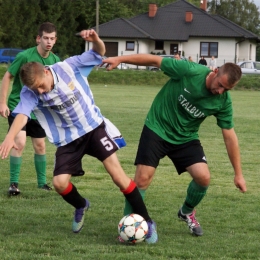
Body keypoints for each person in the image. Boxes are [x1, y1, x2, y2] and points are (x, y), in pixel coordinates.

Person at [0, 29, 158, 243]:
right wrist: (10, 136)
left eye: (41, 87)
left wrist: (97, 40)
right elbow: (23, 115)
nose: (40, 93)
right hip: (68, 139)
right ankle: (81, 205)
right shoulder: (30, 91)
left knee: (119, 177)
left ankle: (147, 222)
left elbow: (98, 53)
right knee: (59, 183)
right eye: (35, 90)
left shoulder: (68, 67)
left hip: (93, 128)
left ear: (46, 72)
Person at [102, 54, 247, 236]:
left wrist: (238, 174)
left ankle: (186, 211)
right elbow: (155, 60)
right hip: (157, 127)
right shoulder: (189, 71)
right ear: (215, 71)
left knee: (203, 178)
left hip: (185, 138)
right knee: (142, 179)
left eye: (226, 89)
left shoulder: (223, 102)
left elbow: (230, 136)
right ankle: (129, 227)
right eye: (220, 85)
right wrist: (120, 59)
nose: (220, 91)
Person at [0, 22, 60, 195]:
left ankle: (42, 183)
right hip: (18, 106)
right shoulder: (25, 56)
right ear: (38, 38)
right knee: (19, 143)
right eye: (45, 38)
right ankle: (13, 184)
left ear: (55, 40)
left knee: (40, 145)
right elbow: (7, 76)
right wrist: (2, 103)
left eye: (52, 38)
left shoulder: (55, 61)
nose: (48, 42)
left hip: (39, 110)